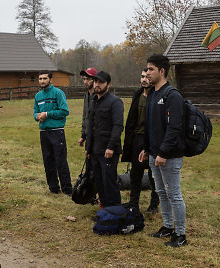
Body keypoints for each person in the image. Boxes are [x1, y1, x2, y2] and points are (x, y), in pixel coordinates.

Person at [139, 54, 187, 247]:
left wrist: (164, 153)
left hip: (169, 156)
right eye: (147, 69)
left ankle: (181, 235)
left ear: (162, 71)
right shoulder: (152, 94)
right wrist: (146, 148)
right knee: (160, 191)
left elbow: (174, 128)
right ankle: (167, 227)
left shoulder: (172, 95)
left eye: (151, 69)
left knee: (174, 193)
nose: (147, 73)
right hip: (153, 154)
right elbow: (151, 126)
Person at [121, 69, 159, 213]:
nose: (144, 80)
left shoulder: (157, 96)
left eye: (147, 77)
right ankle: (133, 202)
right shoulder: (137, 95)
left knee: (153, 173)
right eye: (142, 76)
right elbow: (132, 119)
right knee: (135, 172)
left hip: (152, 139)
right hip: (136, 139)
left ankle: (154, 204)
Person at [85, 71, 123, 207]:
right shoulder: (93, 101)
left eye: (101, 82)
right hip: (95, 150)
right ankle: (104, 208)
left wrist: (111, 147)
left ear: (108, 84)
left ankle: (114, 210)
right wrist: (88, 147)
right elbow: (91, 126)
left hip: (108, 151)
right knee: (99, 181)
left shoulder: (115, 102)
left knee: (109, 181)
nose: (97, 84)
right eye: (95, 82)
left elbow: (118, 126)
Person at [33, 71, 73, 195]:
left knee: (60, 161)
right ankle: (53, 189)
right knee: (48, 161)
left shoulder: (58, 93)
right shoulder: (38, 96)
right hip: (43, 132)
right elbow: (35, 112)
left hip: (57, 132)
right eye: (40, 78)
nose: (42, 81)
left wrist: (48, 114)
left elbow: (64, 111)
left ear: (50, 79)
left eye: (45, 78)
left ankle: (67, 189)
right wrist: (37, 116)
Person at [77, 67, 98, 147]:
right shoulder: (87, 96)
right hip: (88, 137)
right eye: (84, 79)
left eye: (88, 79)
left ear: (95, 80)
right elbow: (85, 116)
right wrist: (83, 136)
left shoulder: (99, 97)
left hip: (98, 138)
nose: (85, 82)